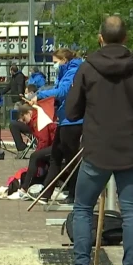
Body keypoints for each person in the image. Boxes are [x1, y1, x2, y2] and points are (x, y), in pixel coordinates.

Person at [62, 15, 133, 265]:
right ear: (125, 38)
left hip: (96, 150)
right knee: (130, 213)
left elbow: (71, 112)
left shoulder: (88, 69)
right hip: (130, 150)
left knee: (82, 209)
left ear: (100, 37)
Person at [29, 48, 84, 204]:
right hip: (64, 119)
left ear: (64, 60)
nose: (54, 65)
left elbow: (63, 91)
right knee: (55, 157)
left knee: (71, 159)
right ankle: (46, 193)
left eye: (55, 62)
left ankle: (75, 195)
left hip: (73, 121)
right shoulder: (64, 72)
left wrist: (40, 95)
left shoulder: (73, 71)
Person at [10, 103, 56, 199]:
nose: (24, 122)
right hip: (54, 144)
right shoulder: (35, 119)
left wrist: (38, 154)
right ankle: (28, 184)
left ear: (28, 113)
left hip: (57, 146)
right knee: (36, 156)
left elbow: (44, 140)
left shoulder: (39, 119)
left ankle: (24, 188)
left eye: (24, 119)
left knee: (34, 156)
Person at [9, 84, 39, 151]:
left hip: (35, 125)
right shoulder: (28, 102)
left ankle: (21, 147)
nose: (25, 95)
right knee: (15, 123)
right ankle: (22, 146)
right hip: (30, 124)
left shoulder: (36, 101)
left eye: (26, 93)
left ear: (31, 93)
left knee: (13, 125)